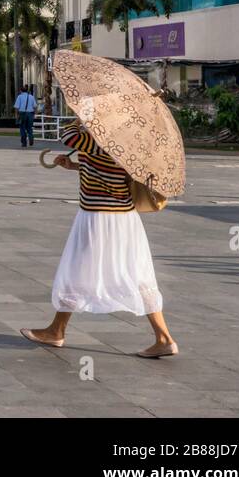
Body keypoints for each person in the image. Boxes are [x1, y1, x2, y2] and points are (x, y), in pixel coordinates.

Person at [21, 123, 178, 359]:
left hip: (98, 217)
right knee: (137, 274)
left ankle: (56, 330)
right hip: (123, 218)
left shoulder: (103, 137)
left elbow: (68, 136)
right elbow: (109, 172)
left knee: (75, 271)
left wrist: (81, 121)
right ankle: (164, 338)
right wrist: (74, 165)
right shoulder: (126, 141)